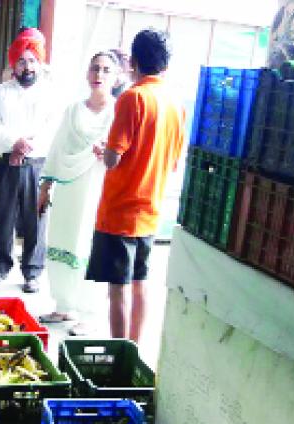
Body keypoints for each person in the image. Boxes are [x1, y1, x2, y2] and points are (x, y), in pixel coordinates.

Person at [85, 29, 185, 340]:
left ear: (134, 61)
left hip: (122, 210)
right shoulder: (174, 102)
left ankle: (119, 356)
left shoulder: (133, 97)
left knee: (119, 288)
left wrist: (105, 151)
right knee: (141, 283)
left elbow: (114, 159)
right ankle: (135, 348)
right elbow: (174, 161)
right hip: (152, 210)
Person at [36, 51, 119, 335]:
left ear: (116, 77)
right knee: (62, 240)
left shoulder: (118, 112)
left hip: (98, 188)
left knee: (88, 246)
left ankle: (87, 313)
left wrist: (108, 152)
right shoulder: (73, 111)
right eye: (95, 68)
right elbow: (58, 148)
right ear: (87, 73)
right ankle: (63, 305)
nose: (99, 74)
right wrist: (45, 186)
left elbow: (124, 153)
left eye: (107, 70)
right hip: (69, 187)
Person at [0, 28, 60, 293]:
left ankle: (32, 272)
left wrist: (26, 145)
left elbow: (52, 128)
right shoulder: (1, 91)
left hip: (38, 164)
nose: (27, 66)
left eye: (32, 61)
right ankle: (1, 266)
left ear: (39, 64)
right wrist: (14, 142)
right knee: (4, 216)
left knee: (35, 218)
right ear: (13, 64)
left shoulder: (50, 93)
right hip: (7, 161)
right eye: (22, 61)